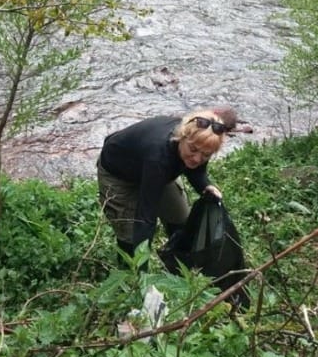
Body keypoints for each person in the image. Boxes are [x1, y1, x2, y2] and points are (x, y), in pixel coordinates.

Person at [96, 107, 236, 263]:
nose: (197, 159)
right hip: (119, 174)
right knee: (130, 237)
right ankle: (130, 277)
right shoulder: (159, 158)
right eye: (193, 150)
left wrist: (206, 185)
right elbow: (146, 217)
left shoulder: (202, 140)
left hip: (156, 168)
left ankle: (176, 262)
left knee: (180, 220)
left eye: (205, 155)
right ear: (182, 137)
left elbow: (197, 171)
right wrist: (143, 276)